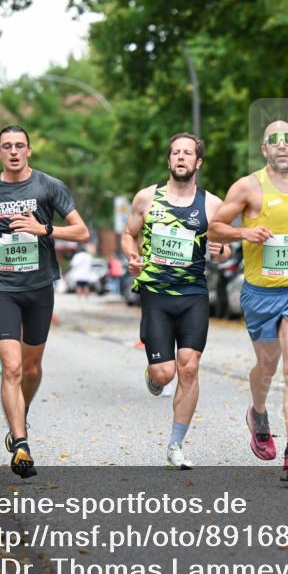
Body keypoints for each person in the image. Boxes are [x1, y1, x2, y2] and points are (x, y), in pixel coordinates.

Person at [0, 125, 89, 478]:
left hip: (40, 285)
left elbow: (82, 231)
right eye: (6, 147)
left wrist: (44, 229)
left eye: (19, 146)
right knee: (11, 367)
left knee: (30, 369)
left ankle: (20, 415)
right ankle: (20, 444)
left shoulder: (48, 186)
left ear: (29, 151)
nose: (13, 151)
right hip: (1, 286)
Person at [207, 120, 288, 483]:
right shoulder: (247, 187)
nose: (280, 146)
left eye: (287, 140)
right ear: (264, 150)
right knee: (267, 367)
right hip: (260, 293)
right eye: (272, 141)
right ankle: (257, 412)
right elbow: (214, 227)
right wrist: (245, 231)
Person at [121, 132, 231, 470]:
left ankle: (175, 445)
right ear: (169, 160)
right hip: (156, 295)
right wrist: (133, 256)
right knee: (165, 372)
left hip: (194, 295)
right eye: (175, 153)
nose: (180, 158)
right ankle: (154, 377)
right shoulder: (146, 198)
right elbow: (129, 235)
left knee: (189, 366)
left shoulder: (213, 205)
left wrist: (221, 251)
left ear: (198, 162)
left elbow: (226, 250)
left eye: (187, 153)